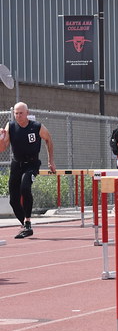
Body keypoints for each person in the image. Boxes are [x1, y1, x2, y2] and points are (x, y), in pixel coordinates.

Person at [0, 102, 56, 238]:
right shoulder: (11, 126)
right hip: (16, 164)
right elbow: (3, 148)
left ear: (27, 113)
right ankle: (25, 226)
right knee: (13, 200)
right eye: (16, 113)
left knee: (25, 188)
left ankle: (28, 222)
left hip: (31, 164)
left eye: (21, 113)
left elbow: (48, 139)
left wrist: (51, 161)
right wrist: (1, 138)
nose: (18, 116)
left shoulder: (36, 127)